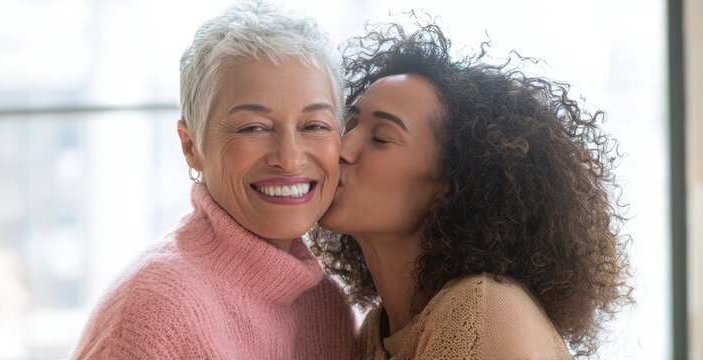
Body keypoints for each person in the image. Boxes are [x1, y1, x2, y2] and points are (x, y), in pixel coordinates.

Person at [310, 21, 633, 359]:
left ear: (451, 183)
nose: (341, 149)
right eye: (349, 124)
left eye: (381, 138)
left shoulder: (482, 313)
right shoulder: (378, 330)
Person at [71, 1, 354, 359]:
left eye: (314, 126)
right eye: (253, 127)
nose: (289, 157)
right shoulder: (154, 309)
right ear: (191, 147)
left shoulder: (325, 305)